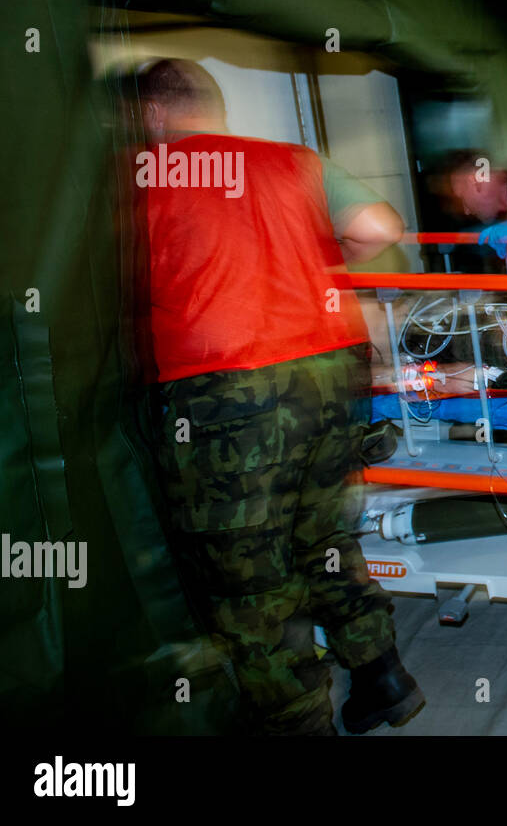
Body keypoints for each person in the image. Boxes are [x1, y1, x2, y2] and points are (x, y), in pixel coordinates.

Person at [134, 58, 422, 734]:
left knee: (248, 577)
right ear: (214, 106)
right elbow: (380, 228)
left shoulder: (144, 178)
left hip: (224, 387)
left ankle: (299, 723)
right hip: (327, 369)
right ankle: (382, 674)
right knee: (321, 532)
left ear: (149, 115)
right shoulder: (291, 160)